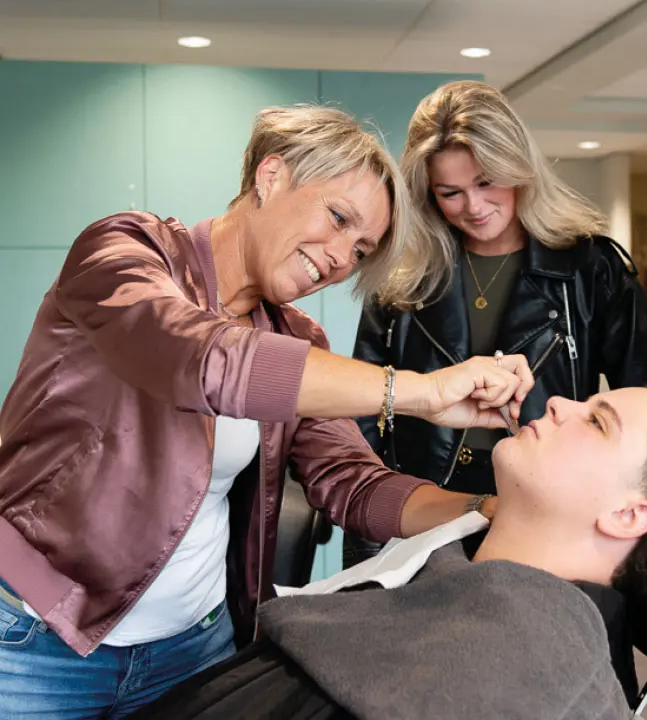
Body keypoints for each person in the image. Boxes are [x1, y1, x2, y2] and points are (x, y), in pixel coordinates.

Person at [0, 104, 535, 718]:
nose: (341, 258)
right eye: (339, 219)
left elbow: (353, 482)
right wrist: (418, 391)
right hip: (35, 638)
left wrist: (484, 512)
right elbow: (204, 360)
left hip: (192, 647)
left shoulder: (298, 338)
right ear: (271, 175)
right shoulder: (126, 250)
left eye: (360, 250)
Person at [131, 382, 647, 720]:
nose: (559, 402)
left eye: (597, 421)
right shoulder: (471, 577)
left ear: (628, 516)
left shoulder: (531, 678)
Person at [345, 81, 647, 564]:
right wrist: (372, 511)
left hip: (551, 505)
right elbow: (363, 404)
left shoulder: (592, 269)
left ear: (518, 169)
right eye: (450, 193)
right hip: (423, 503)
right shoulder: (403, 277)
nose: (473, 207)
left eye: (486, 182)